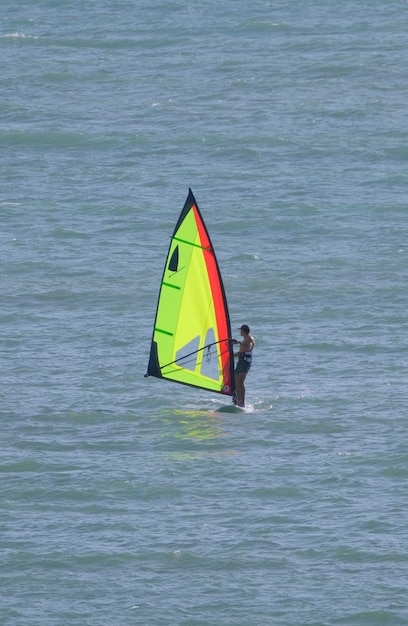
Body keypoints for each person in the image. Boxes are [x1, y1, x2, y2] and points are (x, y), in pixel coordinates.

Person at [232, 324, 255, 407]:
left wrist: (238, 343)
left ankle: (242, 402)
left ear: (243, 331)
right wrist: (231, 356)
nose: (240, 332)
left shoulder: (249, 339)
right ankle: (237, 400)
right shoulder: (244, 340)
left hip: (245, 362)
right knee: (236, 381)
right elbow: (240, 353)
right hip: (240, 361)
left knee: (241, 382)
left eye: (240, 330)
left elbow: (248, 347)